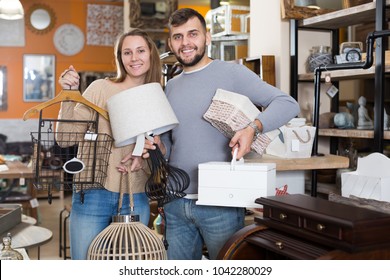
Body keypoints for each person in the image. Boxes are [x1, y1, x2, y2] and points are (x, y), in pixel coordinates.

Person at [128, 8, 300, 260]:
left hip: (220, 203)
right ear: (170, 43)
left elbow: (288, 104)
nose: (185, 43)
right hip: (175, 201)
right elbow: (168, 144)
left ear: (207, 37)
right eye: (178, 37)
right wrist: (156, 147)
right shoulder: (171, 86)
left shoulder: (231, 73)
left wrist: (253, 128)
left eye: (193, 34)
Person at [56, 28, 162, 259]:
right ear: (120, 58)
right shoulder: (100, 88)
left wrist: (146, 152)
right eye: (127, 52)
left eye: (140, 50)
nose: (134, 58)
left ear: (151, 54)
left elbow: (163, 150)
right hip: (92, 192)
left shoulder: (159, 95)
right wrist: (68, 93)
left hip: (135, 197)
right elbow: (65, 139)